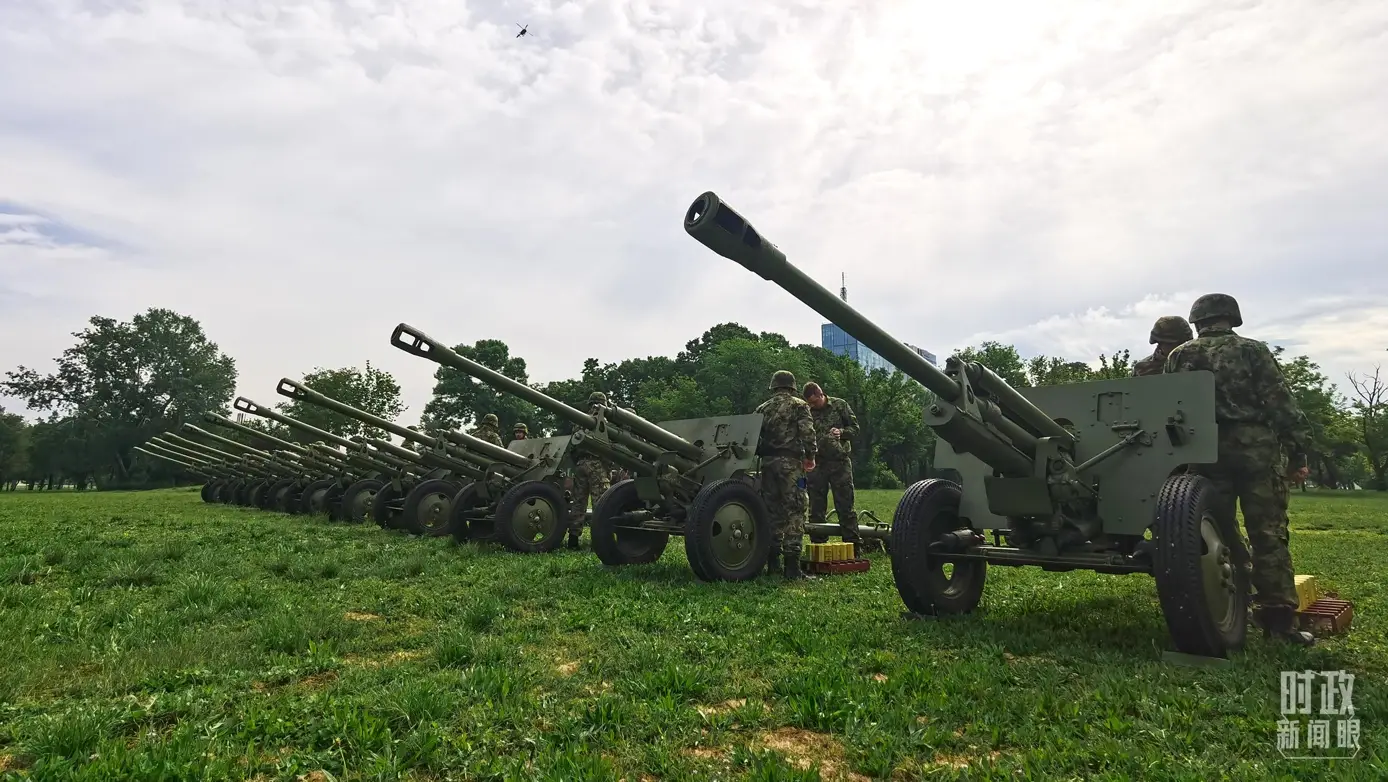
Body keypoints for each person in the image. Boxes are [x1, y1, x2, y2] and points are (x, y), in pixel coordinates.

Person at [1163, 293, 1315, 645]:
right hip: (1256, 453)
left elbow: (1170, 408)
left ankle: (1229, 604)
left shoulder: (1179, 355)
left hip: (1204, 452)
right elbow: (1281, 402)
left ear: (1197, 321)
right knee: (1268, 534)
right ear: (1232, 317)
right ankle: (1277, 623)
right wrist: (1298, 452)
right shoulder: (1253, 351)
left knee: (1218, 534)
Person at [755, 370, 817, 580]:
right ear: (792, 387)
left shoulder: (762, 408)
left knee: (771, 511)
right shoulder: (799, 405)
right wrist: (810, 455)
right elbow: (807, 432)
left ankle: (773, 563)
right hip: (791, 464)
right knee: (796, 510)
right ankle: (792, 568)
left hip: (768, 464)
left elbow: (754, 438)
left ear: (773, 387)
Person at [802, 382, 869, 554]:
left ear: (821, 394)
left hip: (839, 462)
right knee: (816, 508)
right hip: (817, 464)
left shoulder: (840, 405)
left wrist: (842, 432)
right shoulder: (807, 411)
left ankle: (853, 546)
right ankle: (818, 547)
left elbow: (855, 428)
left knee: (845, 505)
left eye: (814, 402)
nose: (812, 406)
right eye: (809, 403)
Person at [567, 391, 617, 549]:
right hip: (597, 465)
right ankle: (601, 541)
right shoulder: (603, 420)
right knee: (601, 503)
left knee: (578, 503)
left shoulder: (579, 421)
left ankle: (573, 540)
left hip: (581, 464)